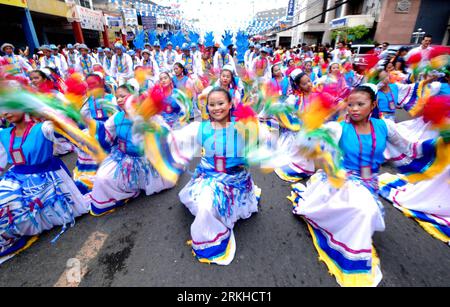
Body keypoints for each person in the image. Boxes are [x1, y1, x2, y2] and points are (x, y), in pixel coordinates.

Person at [288, 85, 441, 286]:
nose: (354, 109)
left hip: (369, 182)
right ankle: (353, 253)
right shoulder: (338, 128)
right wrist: (313, 125)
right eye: (350, 104)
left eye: (361, 104)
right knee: (365, 212)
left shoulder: (385, 126)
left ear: (373, 105)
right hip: (342, 180)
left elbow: (409, 147)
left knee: (363, 210)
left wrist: (438, 143)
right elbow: (309, 141)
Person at [164, 87, 264, 264]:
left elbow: (262, 143)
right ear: (206, 107)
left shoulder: (242, 126)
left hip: (235, 180)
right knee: (205, 207)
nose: (216, 108)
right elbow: (175, 138)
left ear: (230, 104)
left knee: (207, 208)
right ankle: (208, 234)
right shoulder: (200, 128)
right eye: (212, 104)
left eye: (221, 103)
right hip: (208, 177)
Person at [0, 110, 89, 259]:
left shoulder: (43, 128)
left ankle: (23, 228)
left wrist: (57, 117)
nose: (6, 112)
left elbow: (73, 134)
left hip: (45, 178)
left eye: (10, 106)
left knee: (11, 206)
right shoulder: (4, 134)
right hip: (16, 177)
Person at [88, 84, 175, 216]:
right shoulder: (116, 118)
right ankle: (127, 189)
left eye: (123, 96)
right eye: (117, 97)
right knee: (102, 178)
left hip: (146, 161)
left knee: (159, 183)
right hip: (123, 158)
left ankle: (139, 183)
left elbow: (166, 133)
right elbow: (104, 134)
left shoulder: (148, 115)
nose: (119, 100)